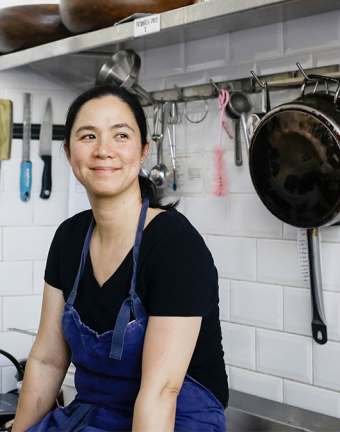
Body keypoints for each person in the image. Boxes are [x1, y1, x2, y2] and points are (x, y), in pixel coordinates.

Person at [12, 84, 227, 432]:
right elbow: (48, 360)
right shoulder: (69, 238)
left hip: (174, 419)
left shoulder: (176, 247)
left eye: (120, 135)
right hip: (91, 416)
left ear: (143, 150)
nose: (103, 151)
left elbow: (161, 392)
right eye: (88, 137)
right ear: (68, 152)